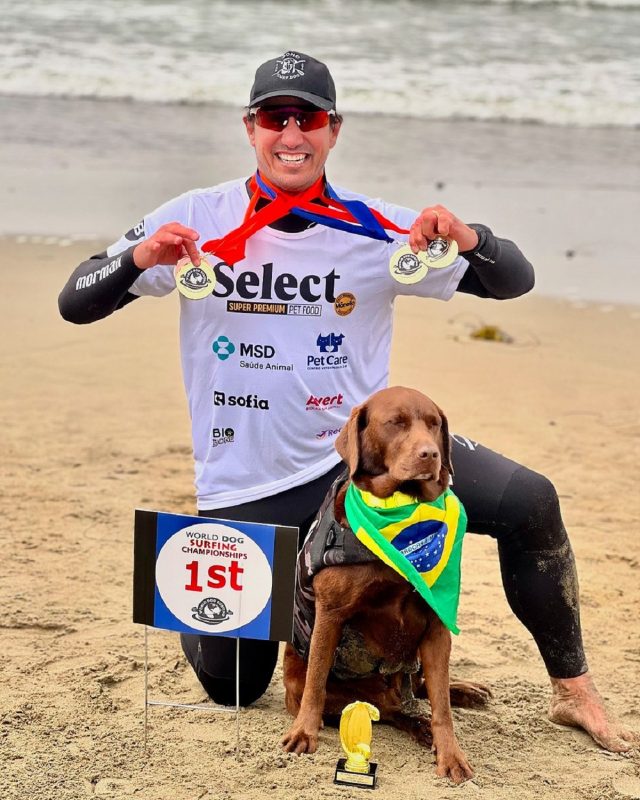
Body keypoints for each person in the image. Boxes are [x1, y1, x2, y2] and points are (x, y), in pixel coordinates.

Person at [58, 50, 634, 753]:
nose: (292, 134)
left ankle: (573, 693)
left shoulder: (378, 228)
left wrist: (466, 236)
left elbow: (511, 280)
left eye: (311, 119)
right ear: (250, 127)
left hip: (356, 472)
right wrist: (139, 259)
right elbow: (75, 300)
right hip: (248, 487)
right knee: (234, 686)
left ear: (334, 130)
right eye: (276, 117)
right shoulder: (194, 218)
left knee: (530, 502)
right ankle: (215, 580)